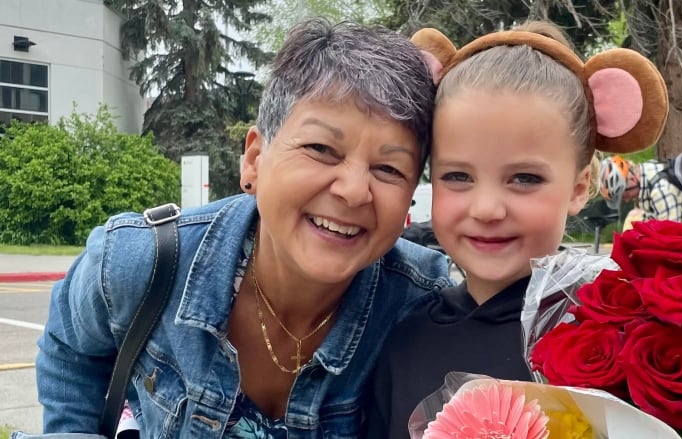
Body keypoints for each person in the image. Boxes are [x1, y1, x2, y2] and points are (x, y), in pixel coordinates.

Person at [14, 18, 453, 439]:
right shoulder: (142, 261)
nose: (355, 190)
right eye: (321, 148)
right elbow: (71, 347)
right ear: (254, 159)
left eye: (390, 168)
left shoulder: (425, 305)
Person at [364, 20, 669, 438]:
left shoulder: (629, 341)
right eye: (457, 176)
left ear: (580, 186)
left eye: (524, 178)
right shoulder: (402, 341)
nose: (487, 208)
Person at [599, 155, 682, 226]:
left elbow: (670, 238)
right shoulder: (649, 171)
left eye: (624, 195)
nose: (626, 200)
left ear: (632, 180)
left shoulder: (659, 190)